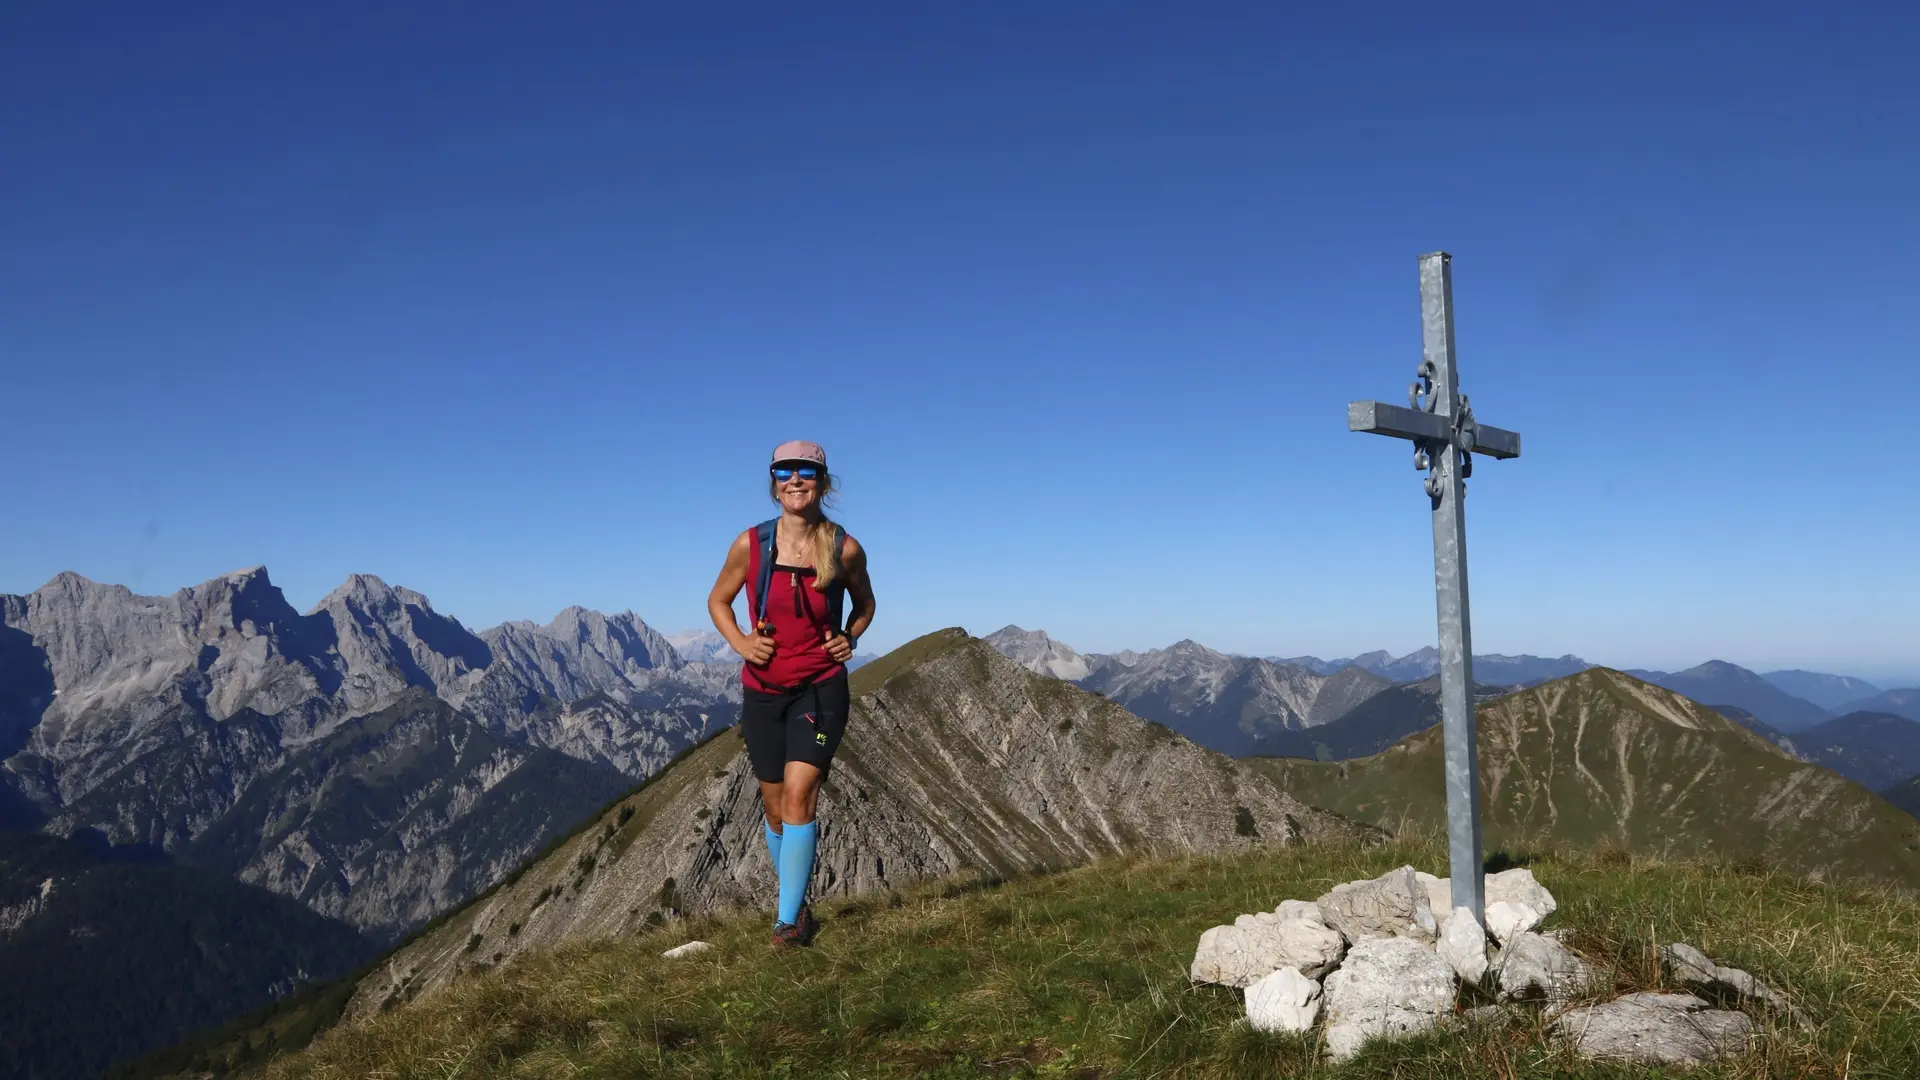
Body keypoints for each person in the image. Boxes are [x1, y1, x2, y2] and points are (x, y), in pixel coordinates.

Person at [707, 440, 875, 948]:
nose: (795, 479)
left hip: (820, 688)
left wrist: (851, 635)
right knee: (775, 806)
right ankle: (797, 906)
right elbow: (718, 600)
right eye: (785, 471)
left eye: (807, 471)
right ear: (774, 481)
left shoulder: (844, 548)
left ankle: (786, 926)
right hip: (762, 691)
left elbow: (865, 604)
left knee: (802, 795)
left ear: (823, 482)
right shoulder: (750, 546)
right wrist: (740, 642)